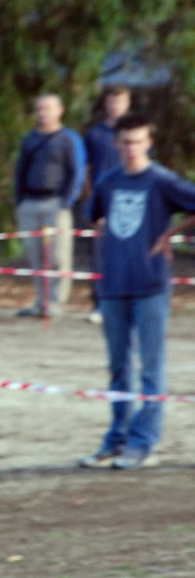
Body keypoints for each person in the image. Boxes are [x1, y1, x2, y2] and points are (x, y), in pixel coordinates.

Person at [78, 113, 195, 470]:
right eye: (125, 142)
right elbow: (95, 216)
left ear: (149, 143)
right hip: (113, 285)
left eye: (138, 141)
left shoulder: (161, 180)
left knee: (151, 368)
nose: (131, 149)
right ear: (117, 144)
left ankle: (143, 443)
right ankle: (117, 439)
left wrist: (169, 234)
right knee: (118, 367)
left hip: (150, 285)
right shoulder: (109, 181)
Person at [13, 92, 84, 317]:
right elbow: (20, 170)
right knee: (35, 257)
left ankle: (55, 303)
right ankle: (40, 302)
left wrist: (66, 201)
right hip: (30, 205)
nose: (43, 113)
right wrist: (19, 200)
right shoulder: (30, 139)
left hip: (56, 204)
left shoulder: (68, 138)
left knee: (58, 257)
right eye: (40, 109)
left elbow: (77, 171)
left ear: (59, 110)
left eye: (48, 108)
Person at [83, 84, 132, 323]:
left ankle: (127, 303)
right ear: (106, 104)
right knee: (101, 256)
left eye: (120, 102)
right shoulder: (95, 134)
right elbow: (87, 170)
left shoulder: (134, 135)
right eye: (112, 101)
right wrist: (93, 201)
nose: (115, 107)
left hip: (130, 203)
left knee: (130, 254)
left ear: (127, 104)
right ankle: (100, 304)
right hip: (103, 203)